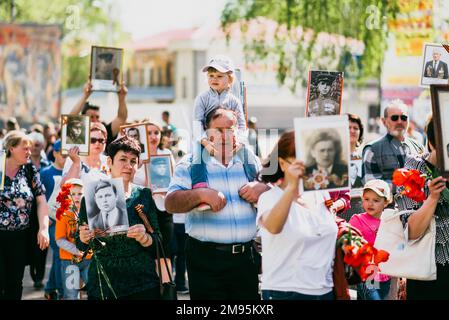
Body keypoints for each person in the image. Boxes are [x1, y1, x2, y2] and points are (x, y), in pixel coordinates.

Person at [165, 107, 269, 300]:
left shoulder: (250, 161)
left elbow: (274, 190)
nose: (225, 135)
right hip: (206, 261)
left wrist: (262, 188)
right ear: (207, 133)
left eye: (230, 129)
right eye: (219, 130)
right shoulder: (190, 164)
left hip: (245, 259)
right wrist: (201, 194)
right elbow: (171, 203)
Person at [76, 136, 165, 300]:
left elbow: (158, 240)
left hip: (143, 282)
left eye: (133, 161)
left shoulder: (143, 195)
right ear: (109, 162)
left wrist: (145, 238)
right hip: (104, 283)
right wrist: (83, 236)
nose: (128, 165)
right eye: (122, 159)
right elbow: (80, 243)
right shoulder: (91, 197)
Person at [257, 131, 338, 300]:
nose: (307, 166)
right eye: (299, 161)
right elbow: (273, 226)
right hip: (285, 291)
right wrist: (291, 188)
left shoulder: (321, 194)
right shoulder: (269, 197)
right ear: (282, 163)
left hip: (323, 290)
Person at [395, 116, 449, 300]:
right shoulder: (414, 169)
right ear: (434, 142)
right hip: (429, 273)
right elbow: (411, 231)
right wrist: (433, 197)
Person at [192, 55, 247, 211]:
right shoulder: (202, 98)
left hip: (230, 139)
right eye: (211, 76)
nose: (214, 79)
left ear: (229, 79)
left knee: (249, 155)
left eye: (219, 76)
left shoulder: (234, 101)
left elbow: (242, 124)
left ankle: (251, 184)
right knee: (197, 157)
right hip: (206, 138)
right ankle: (200, 190)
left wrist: (241, 143)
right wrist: (205, 143)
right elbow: (197, 122)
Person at [0, 130, 49, 300]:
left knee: (15, 283)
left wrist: (43, 228)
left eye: (30, 148)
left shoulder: (29, 170)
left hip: (20, 237)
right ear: (11, 148)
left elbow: (41, 200)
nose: (30, 152)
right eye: (25, 148)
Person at [362, 99, 424, 193]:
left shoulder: (418, 147)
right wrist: (408, 186)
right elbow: (372, 187)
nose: (399, 121)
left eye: (403, 117)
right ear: (384, 121)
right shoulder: (372, 149)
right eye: (394, 118)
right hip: (388, 207)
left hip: (419, 207)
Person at [349, 179, 392, 300]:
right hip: (367, 273)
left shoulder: (390, 221)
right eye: (366, 199)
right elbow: (350, 244)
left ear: (386, 202)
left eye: (376, 200)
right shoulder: (357, 220)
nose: (370, 204)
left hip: (386, 274)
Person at [55, 178, 91, 300]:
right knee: (71, 294)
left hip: (89, 259)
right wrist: (76, 250)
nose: (76, 197)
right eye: (73, 194)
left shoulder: (90, 214)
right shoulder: (63, 215)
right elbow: (59, 239)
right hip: (69, 260)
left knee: (95, 289)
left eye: (80, 194)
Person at [40, 139, 67, 300]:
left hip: (67, 220)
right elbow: (39, 198)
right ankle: (61, 291)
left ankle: (50, 288)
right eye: (62, 153)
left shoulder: (72, 171)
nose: (65, 156)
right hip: (51, 221)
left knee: (59, 256)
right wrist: (44, 218)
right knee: (60, 253)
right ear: (55, 152)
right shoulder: (45, 173)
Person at [69, 79, 128, 146]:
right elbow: (70, 119)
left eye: (97, 117)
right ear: (83, 118)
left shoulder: (105, 131)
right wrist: (85, 95)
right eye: (91, 117)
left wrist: (121, 97)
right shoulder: (78, 133)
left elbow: (121, 118)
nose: (95, 120)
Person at [61, 122, 109, 187]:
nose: (97, 143)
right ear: (85, 141)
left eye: (101, 140)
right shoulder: (72, 159)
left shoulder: (109, 161)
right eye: (93, 140)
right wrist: (76, 163)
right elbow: (65, 188)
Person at [340, 113, 365, 221]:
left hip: (361, 208)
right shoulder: (333, 156)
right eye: (348, 127)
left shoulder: (367, 155)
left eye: (356, 128)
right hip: (340, 209)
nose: (352, 131)